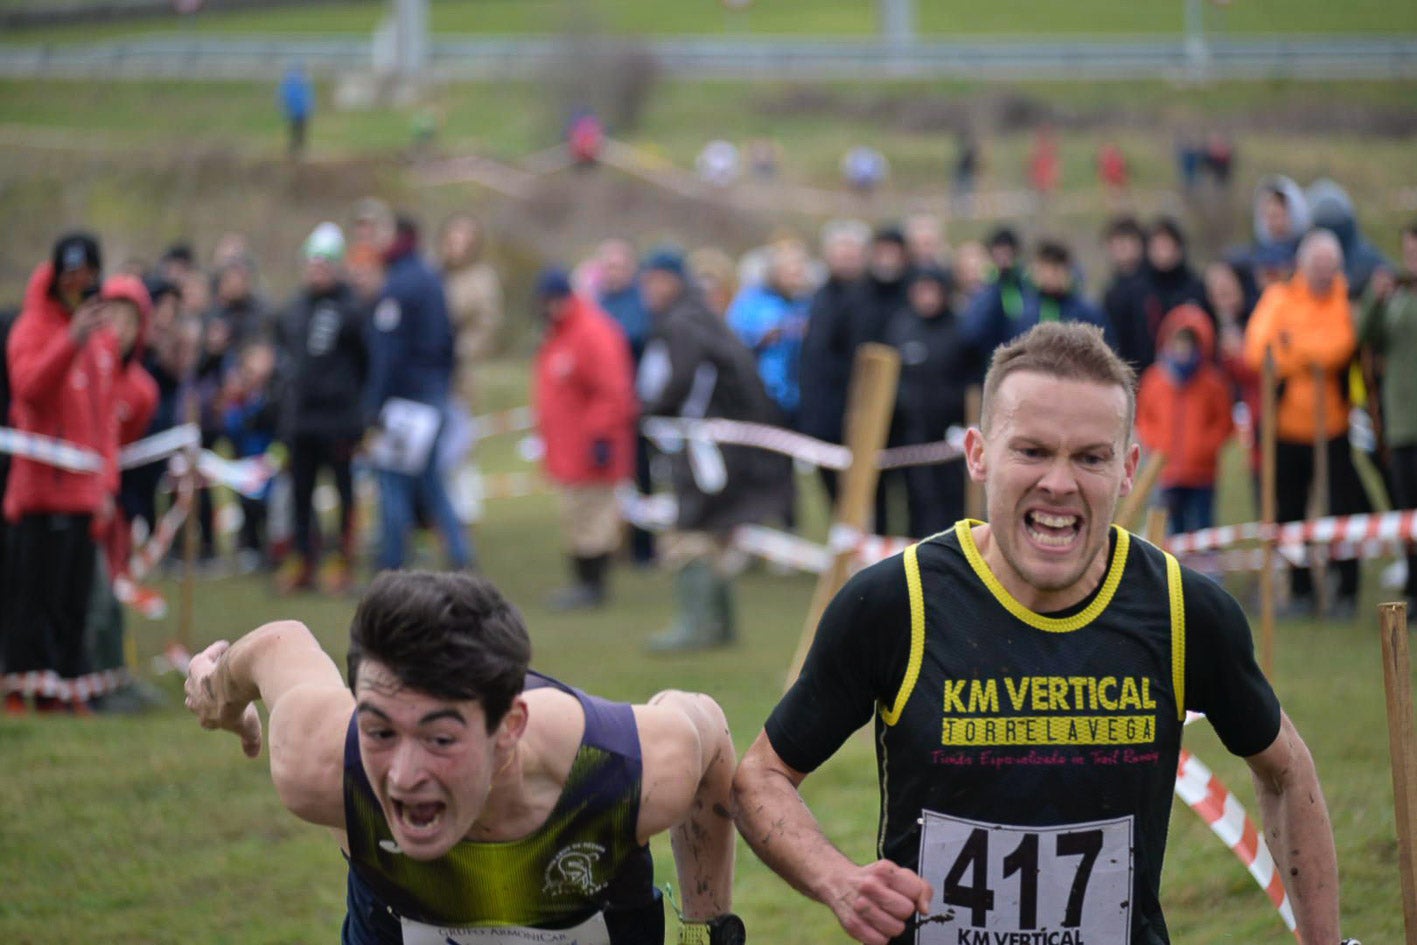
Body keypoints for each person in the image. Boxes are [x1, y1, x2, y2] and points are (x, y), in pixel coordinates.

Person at [733, 321, 1343, 945]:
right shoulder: (897, 603)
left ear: (1128, 468)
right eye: (1031, 451)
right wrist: (838, 880)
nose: (1059, 483)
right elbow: (760, 777)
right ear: (979, 454)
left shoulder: (1184, 610)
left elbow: (1288, 771)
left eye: (1090, 457)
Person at [182, 569, 741, 945]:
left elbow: (707, 730)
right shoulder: (320, 763)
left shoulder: (621, 766)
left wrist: (704, 932)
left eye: (440, 740)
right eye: (380, 732)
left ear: (509, 730)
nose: (402, 776)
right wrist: (218, 698)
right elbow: (279, 644)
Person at [637, 249, 792, 652]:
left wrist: (651, 413)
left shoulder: (683, 322)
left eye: (654, 279)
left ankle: (696, 626)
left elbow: (682, 379)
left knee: (692, 527)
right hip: (724, 441)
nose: (647, 289)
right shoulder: (700, 316)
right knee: (715, 528)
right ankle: (719, 625)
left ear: (671, 280)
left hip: (704, 441)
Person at [2, 233, 118, 714]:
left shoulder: (102, 339)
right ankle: (21, 687)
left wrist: (106, 484)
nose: (78, 286)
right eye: (69, 277)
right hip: (38, 496)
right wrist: (68, 343)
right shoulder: (32, 329)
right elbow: (28, 388)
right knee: (32, 601)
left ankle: (68, 691)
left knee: (74, 603)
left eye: (86, 276)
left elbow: (104, 419)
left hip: (84, 497)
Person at [1244, 229, 1364, 618]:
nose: (1324, 275)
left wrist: (1294, 346)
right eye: (1318, 267)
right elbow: (1258, 349)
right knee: (1289, 512)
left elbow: (1340, 345)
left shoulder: (1343, 297)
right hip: (1287, 429)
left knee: (1342, 510)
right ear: (1303, 264)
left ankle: (1346, 589)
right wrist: (1298, 355)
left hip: (1333, 428)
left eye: (1331, 268)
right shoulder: (1279, 298)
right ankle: (1300, 591)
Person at [364, 213, 474, 574]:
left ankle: (392, 561)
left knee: (393, 481)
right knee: (430, 480)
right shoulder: (430, 278)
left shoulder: (400, 284)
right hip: (432, 396)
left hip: (405, 404)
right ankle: (459, 552)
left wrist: (374, 406)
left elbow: (387, 354)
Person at [533, 268, 637, 611]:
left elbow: (613, 390)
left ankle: (593, 586)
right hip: (568, 446)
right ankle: (583, 583)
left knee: (593, 519)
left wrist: (601, 436)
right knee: (576, 518)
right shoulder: (561, 333)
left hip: (590, 447)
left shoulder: (593, 332)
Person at [274, 223, 369, 595]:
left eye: (324, 265)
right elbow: (287, 367)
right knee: (301, 493)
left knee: (344, 492)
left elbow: (365, 364)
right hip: (301, 422)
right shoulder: (292, 311)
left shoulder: (353, 309)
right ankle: (303, 560)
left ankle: (341, 560)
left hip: (340, 420)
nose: (317, 271)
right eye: (312, 264)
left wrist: (361, 414)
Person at [882, 266, 969, 538]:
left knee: (952, 499)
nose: (927, 298)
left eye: (933, 291)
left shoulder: (960, 328)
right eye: (921, 291)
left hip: (951, 435)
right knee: (917, 499)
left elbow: (970, 377)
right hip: (910, 433)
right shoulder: (901, 325)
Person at [1358, 221, 1417, 615]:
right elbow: (1367, 338)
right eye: (1409, 250)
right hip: (1400, 424)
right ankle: (1414, 587)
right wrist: (1375, 302)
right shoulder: (1396, 295)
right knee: (1406, 512)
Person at [1136, 306, 1235, 535]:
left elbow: (1224, 423)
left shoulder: (1214, 384)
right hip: (1165, 472)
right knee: (1168, 528)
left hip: (1202, 473)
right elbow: (1144, 417)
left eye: (1189, 345)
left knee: (1203, 528)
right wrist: (1158, 445)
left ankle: (1204, 571)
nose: (1183, 351)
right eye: (1178, 343)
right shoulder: (1155, 380)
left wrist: (1204, 447)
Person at [798, 219, 870, 504]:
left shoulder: (869, 296)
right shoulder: (820, 296)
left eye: (851, 251)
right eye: (840, 250)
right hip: (820, 408)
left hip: (856, 407)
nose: (845, 257)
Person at [596, 237, 657, 566]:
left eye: (619, 266)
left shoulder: (640, 304)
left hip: (634, 402)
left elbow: (628, 338)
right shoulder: (598, 301)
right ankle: (608, 541)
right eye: (608, 266)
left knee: (640, 474)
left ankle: (644, 546)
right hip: (605, 406)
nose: (613, 272)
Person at [725, 238, 813, 428]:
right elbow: (733, 340)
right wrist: (760, 337)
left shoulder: (806, 305)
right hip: (759, 392)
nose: (794, 275)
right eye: (788, 270)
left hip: (797, 396)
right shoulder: (751, 302)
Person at [1112, 217, 1208, 373]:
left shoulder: (1195, 288)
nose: (1163, 252)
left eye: (1167, 245)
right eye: (1157, 246)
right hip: (1144, 375)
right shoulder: (1133, 290)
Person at [438, 213, 503, 413]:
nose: (458, 242)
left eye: (465, 237)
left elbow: (486, 325)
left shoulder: (481, 280)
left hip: (458, 372)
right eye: (454, 235)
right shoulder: (433, 273)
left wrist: (460, 351)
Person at [278, 62, 314, 158]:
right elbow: (307, 97)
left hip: (294, 111)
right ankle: (297, 151)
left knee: (295, 131)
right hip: (299, 111)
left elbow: (282, 97)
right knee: (299, 132)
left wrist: (283, 108)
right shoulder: (302, 82)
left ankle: (295, 150)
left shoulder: (289, 82)